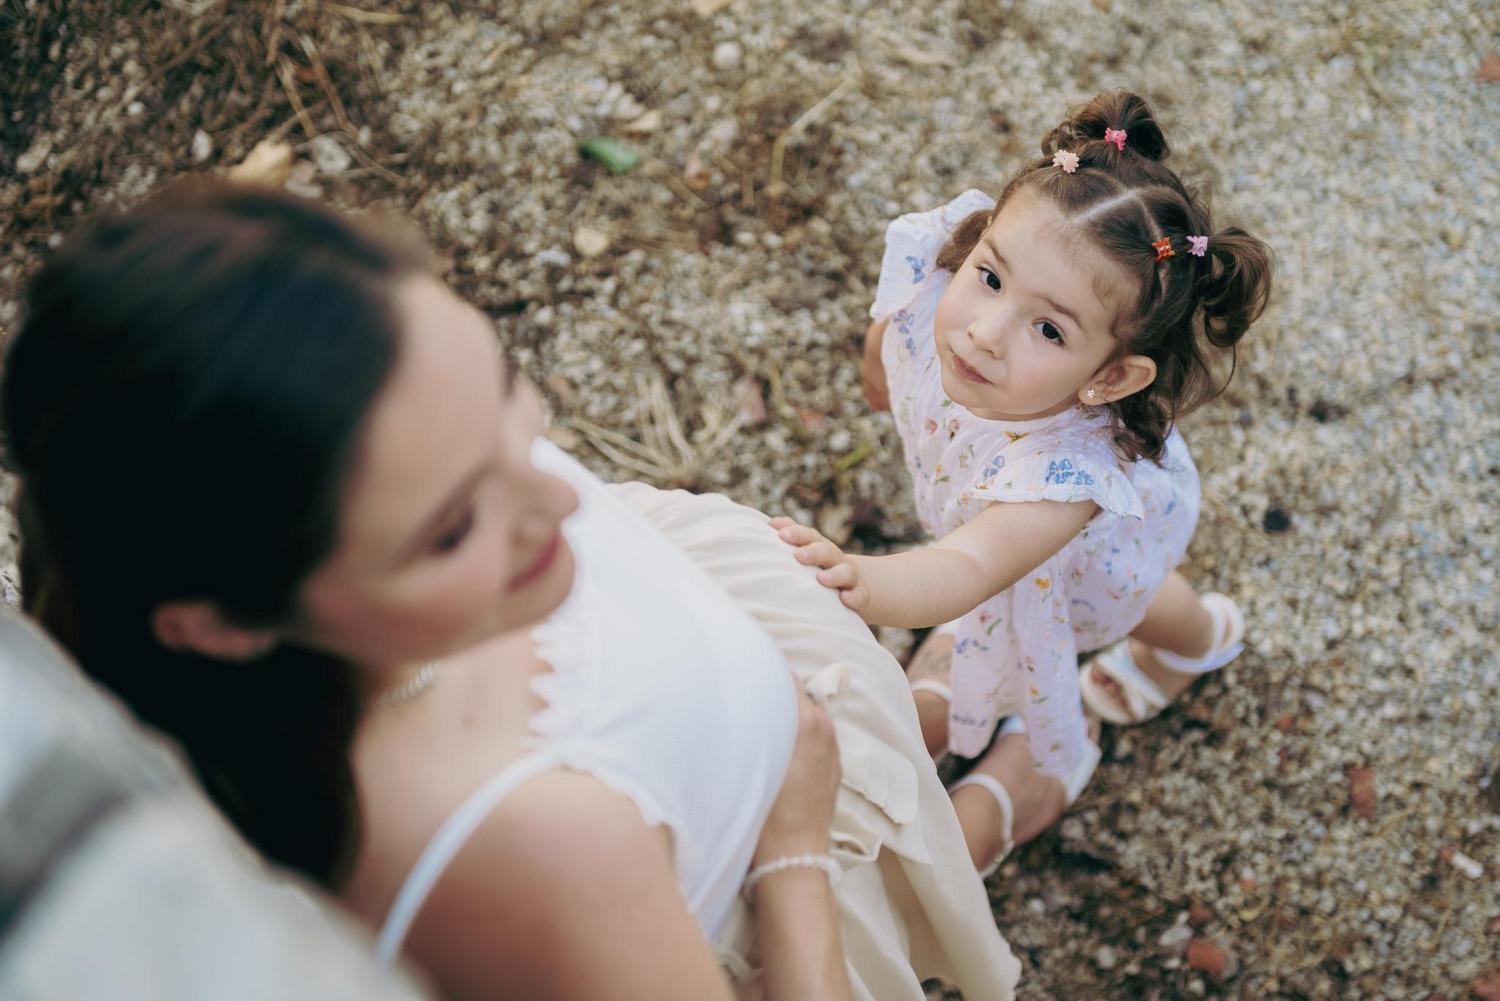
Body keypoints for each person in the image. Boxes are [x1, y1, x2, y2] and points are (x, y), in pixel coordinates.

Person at [1, 183, 1020, 999]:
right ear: (227, 622)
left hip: (777, 721)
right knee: (928, 862)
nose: (557, 500)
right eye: (451, 527)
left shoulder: (390, 451)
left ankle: (928, 728)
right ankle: (1000, 802)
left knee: (908, 747)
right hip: (781, 870)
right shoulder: (536, 856)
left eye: (502, 397)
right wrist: (793, 854)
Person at [774, 90, 1274, 876]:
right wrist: (879, 367)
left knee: (1139, 598)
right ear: (976, 242)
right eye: (990, 276)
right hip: (992, 523)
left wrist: (861, 581)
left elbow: (969, 565)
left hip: (1085, 560)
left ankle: (1200, 641)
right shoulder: (938, 297)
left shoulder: (1064, 482)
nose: (984, 331)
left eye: (1048, 328)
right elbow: (890, 334)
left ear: (1111, 377)